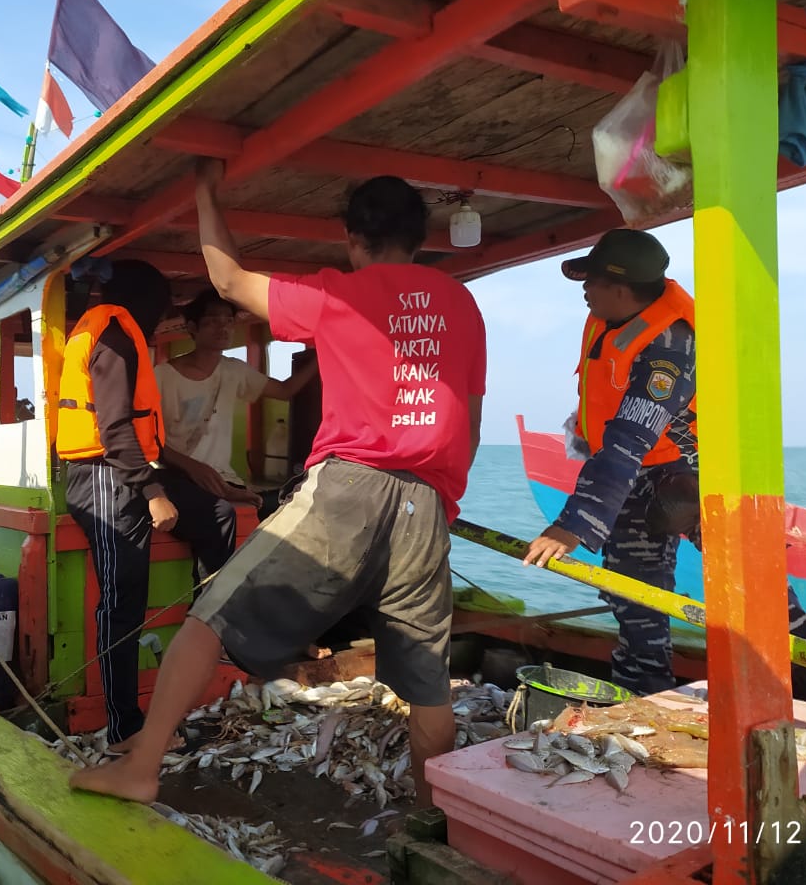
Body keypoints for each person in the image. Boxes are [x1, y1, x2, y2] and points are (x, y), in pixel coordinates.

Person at [70, 163, 486, 807]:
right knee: (430, 687)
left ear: (352, 239)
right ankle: (441, 823)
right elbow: (471, 416)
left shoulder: (341, 295)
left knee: (208, 615)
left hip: (348, 486)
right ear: (420, 237)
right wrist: (442, 501)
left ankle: (140, 766)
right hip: (427, 502)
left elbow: (228, 278)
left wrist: (205, 189)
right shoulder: (462, 304)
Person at [523, 229, 806, 704]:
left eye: (592, 281)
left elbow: (629, 439)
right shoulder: (610, 314)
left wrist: (573, 525)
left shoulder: (670, 344)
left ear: (621, 289)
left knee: (759, 592)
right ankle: (642, 697)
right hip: (638, 471)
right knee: (634, 596)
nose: (583, 289)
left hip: (703, 473)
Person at [58, 259, 178, 753]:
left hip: (107, 478)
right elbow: (114, 430)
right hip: (109, 482)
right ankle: (123, 728)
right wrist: (154, 492)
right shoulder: (114, 333)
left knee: (123, 603)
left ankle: (125, 721)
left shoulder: (97, 327)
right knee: (120, 605)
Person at [156, 287, 318, 580]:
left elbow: (285, 390)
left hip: (222, 480)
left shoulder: (234, 371)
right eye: (212, 320)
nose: (223, 327)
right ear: (192, 327)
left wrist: (320, 355)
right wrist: (193, 467)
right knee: (220, 515)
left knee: (289, 508)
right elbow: (147, 441)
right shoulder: (163, 377)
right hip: (174, 479)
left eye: (228, 321)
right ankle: (209, 603)